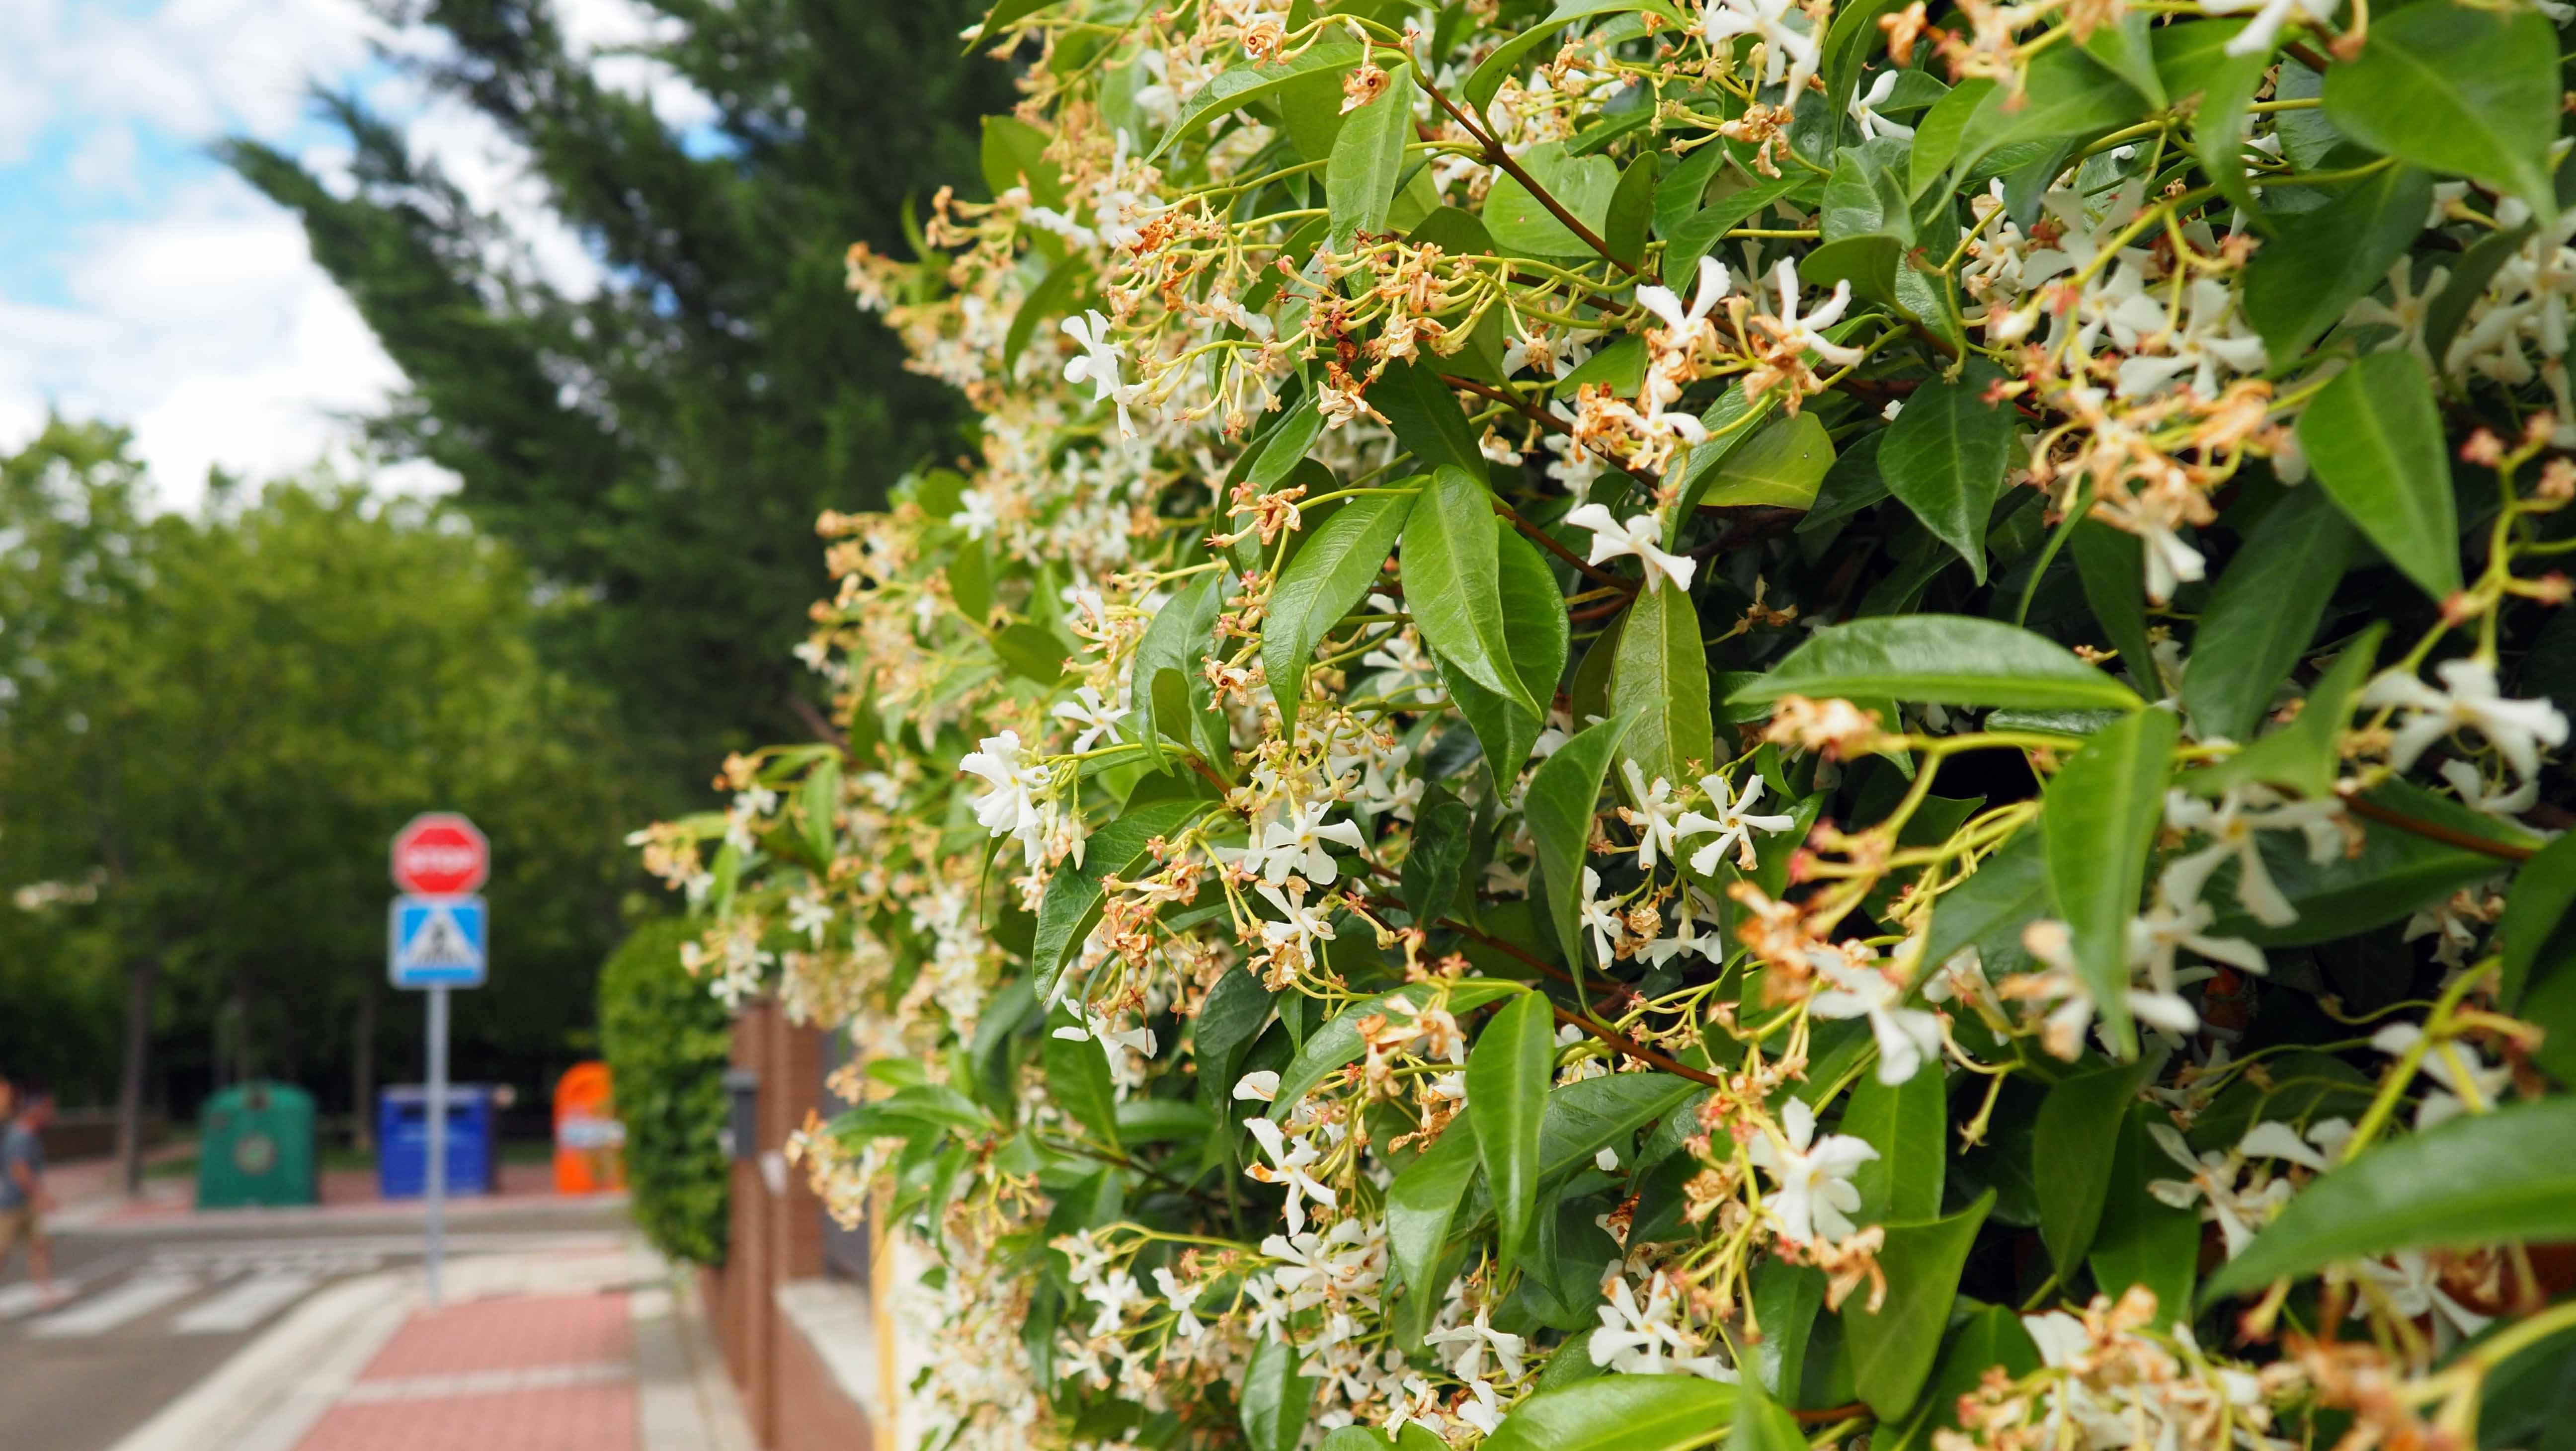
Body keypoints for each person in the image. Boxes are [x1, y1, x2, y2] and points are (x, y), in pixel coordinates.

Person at [0, 1079, 63, 1304]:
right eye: (48, 1108)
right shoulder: (21, 1136)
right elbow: (19, 1170)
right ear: (36, 1111)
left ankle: (45, 1292)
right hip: (10, 1204)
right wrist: (41, 1196)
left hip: (26, 1203)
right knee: (2, 1252)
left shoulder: (28, 1135)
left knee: (40, 1245)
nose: (51, 1113)